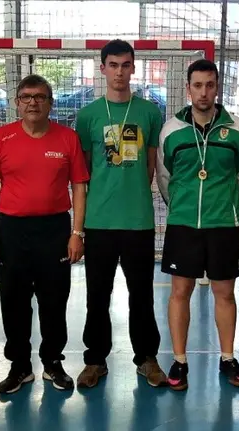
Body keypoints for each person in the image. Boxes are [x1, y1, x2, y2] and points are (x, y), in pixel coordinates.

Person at [0, 74, 88, 393]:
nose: (33, 102)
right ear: (17, 103)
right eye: (26, 97)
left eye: (40, 97)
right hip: (12, 230)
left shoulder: (67, 138)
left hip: (55, 229)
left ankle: (52, 362)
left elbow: (79, 186)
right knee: (13, 300)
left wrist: (77, 232)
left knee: (54, 299)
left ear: (50, 103)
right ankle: (20, 366)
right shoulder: (1, 137)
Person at [75, 39, 167, 389]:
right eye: (112, 65)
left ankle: (147, 358)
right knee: (97, 294)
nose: (119, 71)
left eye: (125, 65)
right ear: (102, 69)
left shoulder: (149, 112)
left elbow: (149, 167)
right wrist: (79, 227)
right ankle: (95, 360)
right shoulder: (88, 115)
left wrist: (131, 194)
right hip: (99, 222)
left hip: (138, 221)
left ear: (133, 67)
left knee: (141, 293)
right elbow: (84, 173)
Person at [156, 59, 239, 390]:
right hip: (183, 223)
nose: (204, 92)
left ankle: (227, 358)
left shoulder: (238, 129)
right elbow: (165, 177)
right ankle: (179, 361)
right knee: (180, 291)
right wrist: (183, 205)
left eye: (210, 85)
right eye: (197, 85)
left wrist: (221, 202)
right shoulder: (171, 130)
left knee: (224, 292)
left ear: (217, 87)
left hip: (224, 223)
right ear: (188, 88)